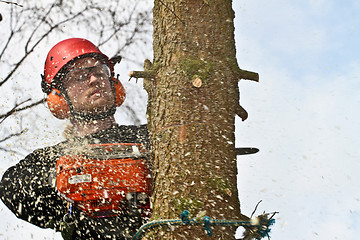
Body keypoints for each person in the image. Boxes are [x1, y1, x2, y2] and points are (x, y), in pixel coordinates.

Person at [0, 38, 150, 239]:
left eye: (100, 72)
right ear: (59, 96)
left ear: (113, 81)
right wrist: (63, 179)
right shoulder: (53, 158)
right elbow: (11, 187)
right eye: (79, 76)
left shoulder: (146, 136)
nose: (94, 79)